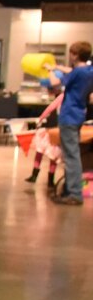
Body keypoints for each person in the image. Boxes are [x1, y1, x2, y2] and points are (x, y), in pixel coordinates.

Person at [47, 41, 90, 206]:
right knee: (72, 154)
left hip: (68, 116)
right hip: (79, 115)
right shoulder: (88, 71)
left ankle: (74, 193)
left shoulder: (77, 73)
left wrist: (50, 71)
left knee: (71, 156)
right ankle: (69, 190)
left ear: (75, 55)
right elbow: (72, 71)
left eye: (71, 53)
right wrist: (58, 67)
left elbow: (55, 84)